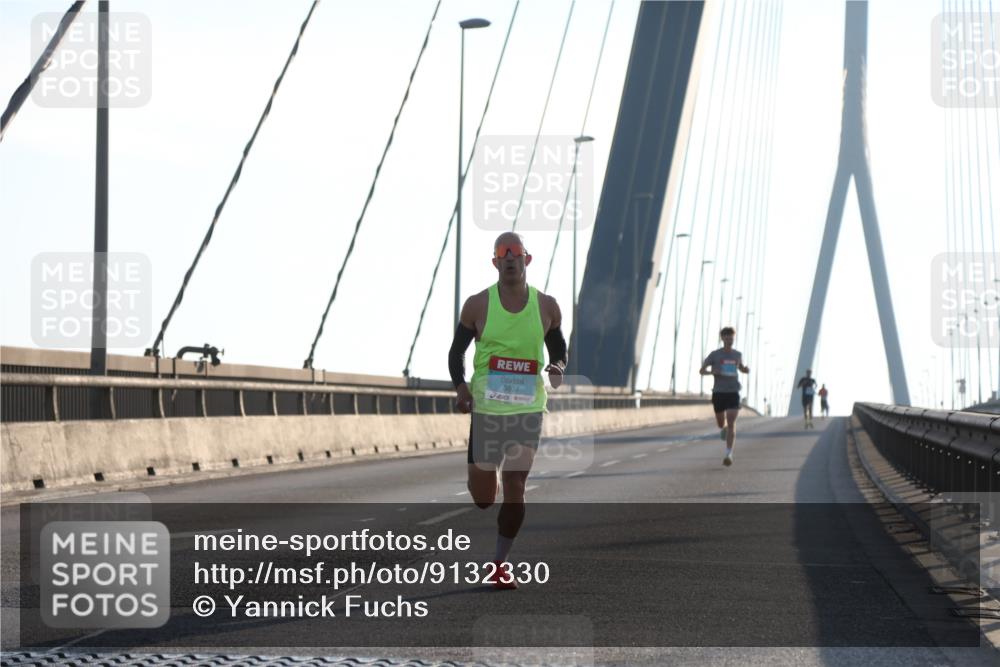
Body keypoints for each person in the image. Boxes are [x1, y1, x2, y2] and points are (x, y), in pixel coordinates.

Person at [448, 232, 566, 590]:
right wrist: (461, 386)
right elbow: (456, 353)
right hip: (487, 409)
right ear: (495, 261)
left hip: (527, 408)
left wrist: (558, 366)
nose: (511, 258)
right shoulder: (477, 305)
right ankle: (488, 482)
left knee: (516, 484)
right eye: (503, 252)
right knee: (484, 499)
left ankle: (499, 564)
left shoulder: (546, 306)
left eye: (517, 252)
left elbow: (560, 348)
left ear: (527, 260)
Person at [699, 326, 750, 466]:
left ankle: (729, 454)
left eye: (731, 337)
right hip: (719, 392)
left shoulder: (737, 355)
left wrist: (745, 370)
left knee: (732, 422)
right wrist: (712, 372)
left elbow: (741, 367)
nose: (729, 340)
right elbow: (701, 371)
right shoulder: (714, 355)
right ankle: (724, 428)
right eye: (726, 337)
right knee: (721, 423)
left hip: (733, 391)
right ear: (722, 338)